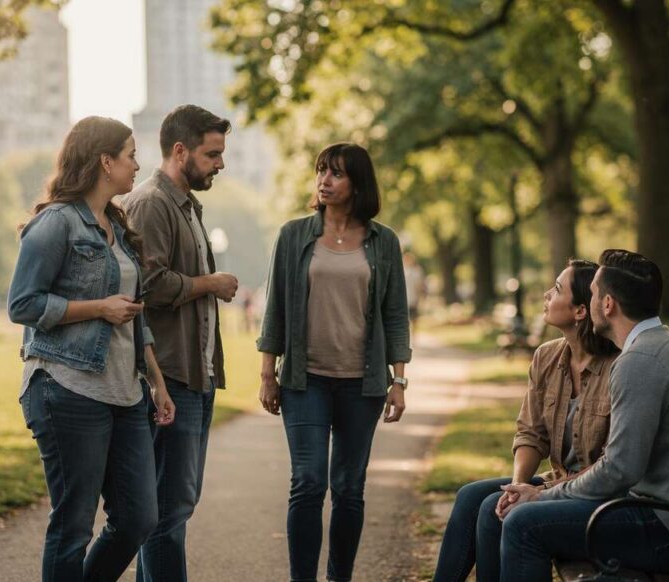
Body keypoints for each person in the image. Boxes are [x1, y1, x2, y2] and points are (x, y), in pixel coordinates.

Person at [498, 249, 669, 580]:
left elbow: (618, 471)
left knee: (523, 525)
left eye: (595, 293)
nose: (592, 298)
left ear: (608, 304)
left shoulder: (638, 361)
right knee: (515, 514)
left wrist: (542, 494)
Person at [8, 116, 176, 582]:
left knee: (140, 517)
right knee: (73, 526)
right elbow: (22, 303)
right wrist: (96, 307)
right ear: (106, 162)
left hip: (126, 393)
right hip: (67, 386)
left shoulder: (118, 228)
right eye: (130, 155)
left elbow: (134, 315)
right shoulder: (56, 223)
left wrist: (157, 383)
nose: (137, 164)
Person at [257, 142, 412, 582]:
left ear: (357, 184)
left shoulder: (383, 242)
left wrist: (399, 381)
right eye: (321, 171)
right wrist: (268, 373)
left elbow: (395, 314)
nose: (324, 180)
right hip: (305, 382)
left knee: (348, 489)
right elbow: (276, 310)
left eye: (336, 174)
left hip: (361, 385)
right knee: (307, 483)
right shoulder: (293, 236)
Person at [432, 259, 620, 582]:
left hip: (594, 494)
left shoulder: (618, 369)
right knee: (471, 498)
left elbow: (611, 465)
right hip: (558, 482)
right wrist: (519, 485)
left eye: (557, 289)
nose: (547, 294)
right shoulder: (546, 357)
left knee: (496, 513)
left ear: (579, 311)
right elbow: (531, 434)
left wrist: (531, 495)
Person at [122, 104, 239, 582]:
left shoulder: (186, 204)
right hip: (170, 373)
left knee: (175, 507)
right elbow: (149, 285)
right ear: (179, 150)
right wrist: (208, 283)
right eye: (212, 154)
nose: (220, 164)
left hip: (196, 373)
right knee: (168, 511)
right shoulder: (152, 203)